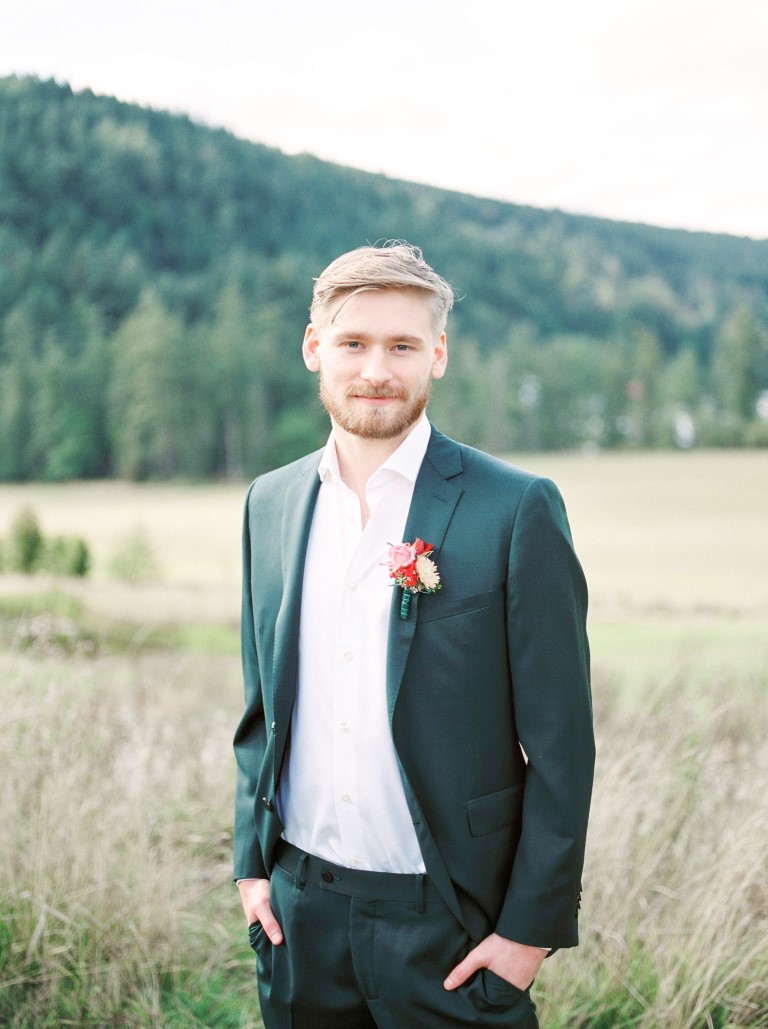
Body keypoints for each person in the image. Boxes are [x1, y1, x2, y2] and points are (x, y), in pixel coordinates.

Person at [233, 242, 595, 1029]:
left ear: (436, 354)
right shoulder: (270, 503)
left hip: (452, 925)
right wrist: (251, 871)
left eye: (401, 345)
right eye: (353, 343)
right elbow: (261, 711)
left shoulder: (516, 509)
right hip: (299, 916)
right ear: (313, 348)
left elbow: (563, 747)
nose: (376, 369)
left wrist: (527, 933)